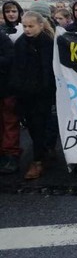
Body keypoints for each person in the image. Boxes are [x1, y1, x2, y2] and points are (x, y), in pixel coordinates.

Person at [10, 12, 56, 180]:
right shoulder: (21, 43)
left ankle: (38, 160)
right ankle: (43, 153)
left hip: (42, 94)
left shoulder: (47, 43)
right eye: (25, 26)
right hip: (25, 93)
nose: (27, 29)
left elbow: (48, 70)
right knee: (33, 127)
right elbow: (16, 67)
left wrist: (47, 90)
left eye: (31, 26)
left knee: (40, 126)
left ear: (41, 25)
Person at [0, 28, 20, 175]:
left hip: (6, 88)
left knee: (9, 123)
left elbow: (10, 60)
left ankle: (11, 154)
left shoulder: (3, 39)